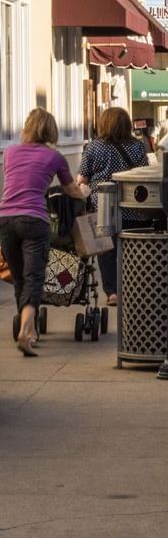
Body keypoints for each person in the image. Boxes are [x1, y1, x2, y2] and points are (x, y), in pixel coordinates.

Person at [1, 109, 89, 355]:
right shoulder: (55, 157)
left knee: (18, 278)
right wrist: (84, 193)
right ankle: (26, 329)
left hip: (5, 219)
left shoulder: (9, 153)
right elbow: (71, 190)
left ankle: (29, 329)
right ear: (51, 130)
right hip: (34, 220)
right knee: (35, 277)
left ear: (27, 127)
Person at [74, 106, 150, 306]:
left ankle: (112, 292)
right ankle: (133, 289)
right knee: (132, 250)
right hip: (133, 205)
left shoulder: (93, 147)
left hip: (103, 207)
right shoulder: (138, 146)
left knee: (106, 250)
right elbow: (144, 174)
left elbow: (82, 179)